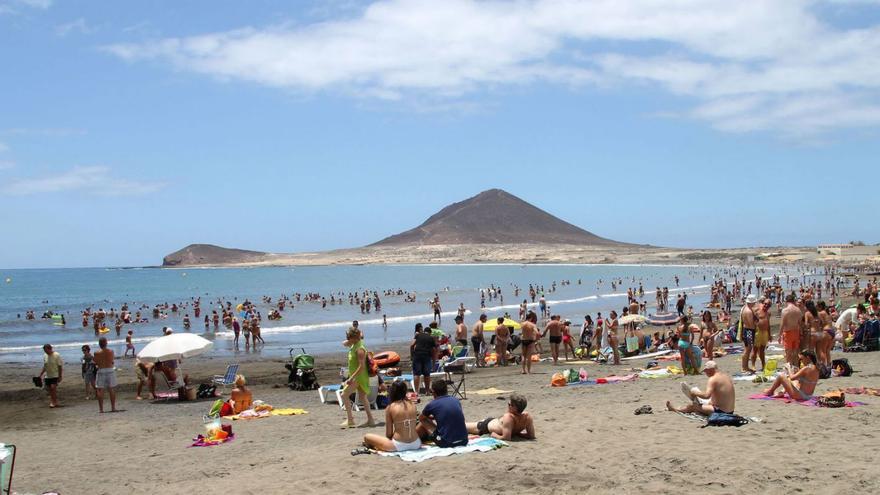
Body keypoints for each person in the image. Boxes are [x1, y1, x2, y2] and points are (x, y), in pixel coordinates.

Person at [363, 381, 421, 452]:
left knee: (367, 436)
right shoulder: (413, 405)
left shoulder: (390, 407)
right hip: (416, 443)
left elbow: (389, 434)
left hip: (398, 445)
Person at [666, 361, 735, 416]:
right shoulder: (725, 376)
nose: (705, 373)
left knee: (693, 406)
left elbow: (706, 396)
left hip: (721, 412)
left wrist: (695, 393)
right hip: (730, 410)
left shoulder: (713, 379)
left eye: (706, 371)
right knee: (708, 402)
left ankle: (675, 409)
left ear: (710, 370)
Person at [416, 380, 468, 448]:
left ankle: (413, 439)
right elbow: (451, 415)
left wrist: (429, 418)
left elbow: (421, 418)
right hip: (464, 440)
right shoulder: (455, 400)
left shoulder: (432, 404)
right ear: (446, 390)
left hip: (446, 443)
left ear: (434, 392)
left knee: (423, 421)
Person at [341, 326, 375, 428]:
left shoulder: (359, 349)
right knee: (362, 397)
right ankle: (371, 420)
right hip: (358, 376)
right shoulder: (354, 344)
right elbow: (344, 343)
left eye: (349, 337)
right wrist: (349, 341)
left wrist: (351, 378)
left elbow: (361, 366)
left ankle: (350, 420)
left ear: (354, 338)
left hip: (359, 377)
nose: (347, 339)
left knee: (344, 395)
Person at [466, 393, 536, 441]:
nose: (508, 406)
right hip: (488, 423)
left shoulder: (508, 417)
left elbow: (506, 438)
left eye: (509, 404)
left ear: (514, 407)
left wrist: (494, 435)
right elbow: (531, 436)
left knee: (462, 426)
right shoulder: (527, 417)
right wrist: (519, 434)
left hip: (483, 428)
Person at [93, 337, 119, 413]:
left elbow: (96, 362)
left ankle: (101, 409)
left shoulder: (96, 353)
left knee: (100, 390)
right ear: (106, 343)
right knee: (111, 389)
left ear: (99, 344)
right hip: (110, 370)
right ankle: (113, 407)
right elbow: (112, 361)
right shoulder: (111, 351)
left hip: (101, 370)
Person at [410, 323, 436, 395]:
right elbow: (434, 351)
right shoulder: (431, 338)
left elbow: (412, 345)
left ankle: (416, 392)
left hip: (417, 355)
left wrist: (412, 356)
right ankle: (427, 391)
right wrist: (433, 363)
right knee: (427, 374)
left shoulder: (418, 335)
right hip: (426, 356)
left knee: (416, 374)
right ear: (430, 333)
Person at [779, 294, 803, 367]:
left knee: (788, 352)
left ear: (786, 301)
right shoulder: (798, 310)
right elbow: (800, 323)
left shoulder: (785, 310)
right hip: (796, 332)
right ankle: (795, 367)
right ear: (794, 301)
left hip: (788, 332)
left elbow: (782, 324)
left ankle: (789, 368)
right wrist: (801, 333)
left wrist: (779, 335)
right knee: (795, 352)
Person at [39, 344, 63, 408]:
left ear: (50, 349)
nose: (45, 351)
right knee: (50, 390)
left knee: (53, 388)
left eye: (46, 350)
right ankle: (54, 402)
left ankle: (53, 402)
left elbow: (60, 366)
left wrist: (60, 376)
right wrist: (41, 374)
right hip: (48, 375)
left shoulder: (56, 355)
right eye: (44, 350)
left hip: (55, 375)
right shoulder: (45, 356)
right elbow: (45, 366)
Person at [740, 294, 758, 373]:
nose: (754, 304)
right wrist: (757, 324)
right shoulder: (749, 311)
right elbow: (751, 324)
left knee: (747, 349)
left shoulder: (744, 308)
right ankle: (744, 367)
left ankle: (745, 366)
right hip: (749, 331)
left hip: (746, 330)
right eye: (754, 303)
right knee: (748, 349)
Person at [752, 298, 772, 372]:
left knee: (762, 350)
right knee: (755, 349)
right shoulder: (757, 311)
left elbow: (768, 324)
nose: (766, 305)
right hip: (758, 332)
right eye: (765, 304)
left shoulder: (768, 313)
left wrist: (769, 335)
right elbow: (752, 321)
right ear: (763, 303)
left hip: (765, 332)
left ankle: (763, 364)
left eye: (768, 305)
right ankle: (753, 365)